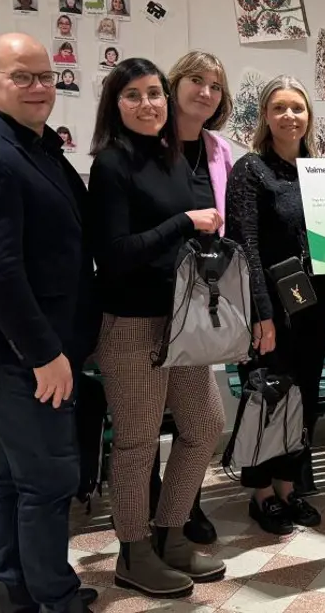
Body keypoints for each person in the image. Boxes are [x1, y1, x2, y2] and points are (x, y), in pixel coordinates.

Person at [0, 32, 101, 613]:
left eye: (45, 76)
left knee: (14, 475)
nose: (39, 88)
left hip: (39, 350)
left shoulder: (39, 147)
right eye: (22, 77)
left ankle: (13, 590)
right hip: (22, 357)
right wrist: (44, 353)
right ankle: (54, 600)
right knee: (50, 481)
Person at [87, 57, 228, 599]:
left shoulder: (174, 156)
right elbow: (114, 255)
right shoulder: (112, 164)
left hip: (183, 321)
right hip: (131, 324)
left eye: (154, 93)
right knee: (138, 443)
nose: (147, 104)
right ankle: (133, 552)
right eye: (133, 96)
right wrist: (183, 224)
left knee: (204, 427)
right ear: (115, 105)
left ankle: (170, 536)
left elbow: (186, 240)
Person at [226, 75, 325, 535]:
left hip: (312, 308)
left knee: (304, 398)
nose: (289, 116)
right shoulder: (251, 170)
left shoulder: (319, 171)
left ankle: (289, 486)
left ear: (308, 116)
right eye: (279, 108)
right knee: (267, 397)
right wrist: (262, 314)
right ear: (265, 117)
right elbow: (246, 246)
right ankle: (259, 494)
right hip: (270, 309)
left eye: (297, 107)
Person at [148, 49, 235, 546]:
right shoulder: (147, 143)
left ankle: (186, 505)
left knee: (197, 418)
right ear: (174, 83)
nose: (205, 92)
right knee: (150, 421)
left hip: (201, 300)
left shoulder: (218, 149)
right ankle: (159, 514)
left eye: (215, 86)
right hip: (150, 299)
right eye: (196, 81)